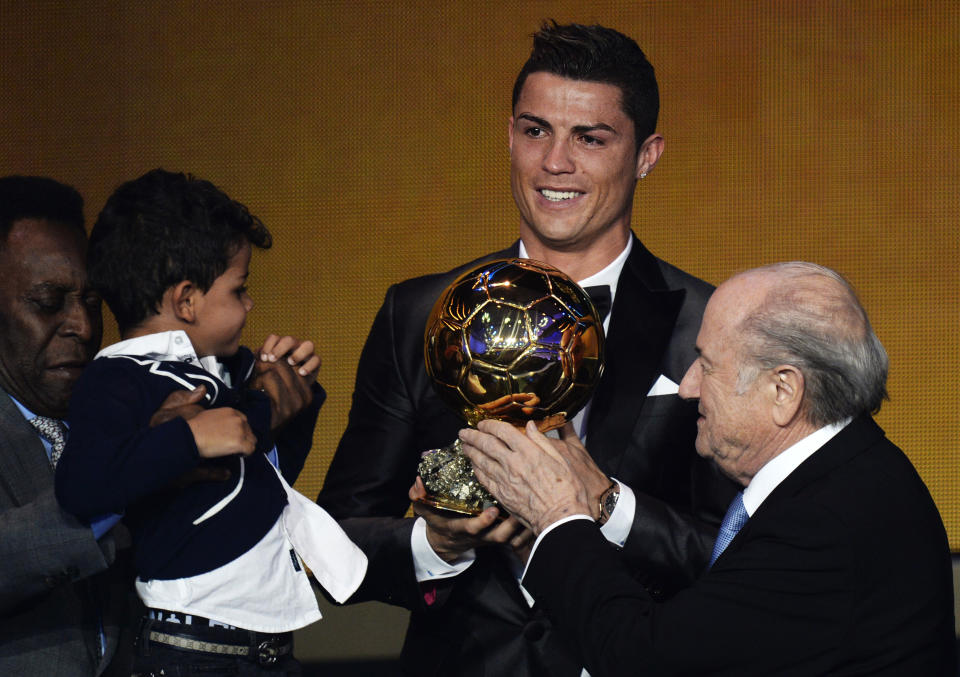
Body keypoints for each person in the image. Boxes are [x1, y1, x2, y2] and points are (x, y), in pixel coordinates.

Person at [318, 21, 738, 676]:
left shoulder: (714, 324)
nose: (554, 163)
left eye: (590, 139)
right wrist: (436, 543)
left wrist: (610, 504)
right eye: (535, 130)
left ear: (648, 154)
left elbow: (742, 559)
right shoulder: (418, 313)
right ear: (509, 134)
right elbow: (334, 542)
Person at [461, 261, 956, 676]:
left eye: (707, 364)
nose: (687, 387)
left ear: (783, 391)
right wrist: (600, 501)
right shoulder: (848, 474)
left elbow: (642, 660)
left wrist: (557, 516)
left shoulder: (822, 528)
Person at [54, 169, 367, 676]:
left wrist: (294, 396)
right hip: (189, 651)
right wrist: (187, 437)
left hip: (269, 649)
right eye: (239, 289)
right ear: (185, 300)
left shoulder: (227, 368)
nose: (249, 305)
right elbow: (82, 486)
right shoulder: (115, 378)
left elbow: (268, 478)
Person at [0, 175, 137, 676]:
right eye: (47, 302)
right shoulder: (126, 455)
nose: (82, 325)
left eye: (92, 302)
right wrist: (126, 477)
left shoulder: (115, 424)